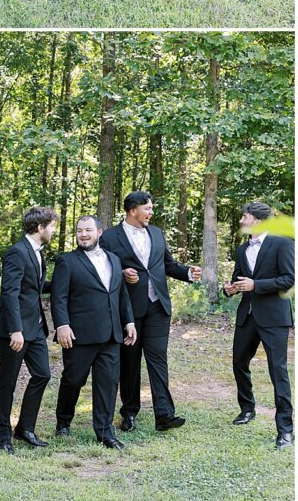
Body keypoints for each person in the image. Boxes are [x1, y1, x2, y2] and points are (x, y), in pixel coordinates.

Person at [101, 190, 201, 433]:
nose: (151, 212)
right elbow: (101, 268)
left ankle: (164, 415)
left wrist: (188, 273)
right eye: (147, 208)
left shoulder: (156, 233)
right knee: (130, 363)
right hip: (129, 311)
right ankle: (129, 413)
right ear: (133, 210)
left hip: (158, 307)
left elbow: (167, 264)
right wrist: (122, 273)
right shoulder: (110, 237)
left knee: (158, 359)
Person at [51, 214, 136, 449]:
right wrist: (62, 325)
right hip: (79, 335)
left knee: (108, 384)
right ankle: (63, 422)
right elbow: (59, 298)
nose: (83, 234)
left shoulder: (114, 259)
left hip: (111, 334)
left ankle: (105, 432)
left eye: (88, 230)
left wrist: (128, 321)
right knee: (73, 380)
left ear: (99, 232)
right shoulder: (67, 261)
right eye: (79, 230)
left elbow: (121, 294)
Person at [223, 202, 294, 448]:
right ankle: (247, 409)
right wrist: (230, 288)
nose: (242, 220)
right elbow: (238, 278)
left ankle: (285, 429)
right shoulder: (242, 249)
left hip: (274, 318)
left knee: (278, 371)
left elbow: (289, 279)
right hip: (247, 316)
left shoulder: (282, 243)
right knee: (239, 362)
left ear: (258, 219)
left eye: (245, 216)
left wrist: (257, 285)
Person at [0, 205, 58, 453]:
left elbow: (34, 287)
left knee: (43, 374)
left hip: (36, 327)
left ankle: (25, 428)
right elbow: (9, 293)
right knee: (7, 382)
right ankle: (3, 436)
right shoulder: (17, 253)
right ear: (40, 227)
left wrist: (67, 280)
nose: (53, 231)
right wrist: (15, 330)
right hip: (15, 330)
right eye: (51, 226)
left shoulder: (38, 253)